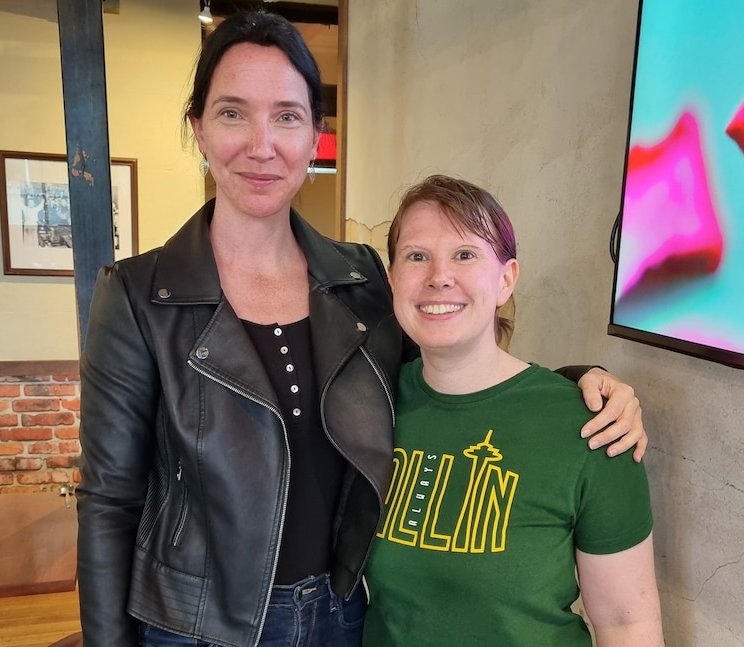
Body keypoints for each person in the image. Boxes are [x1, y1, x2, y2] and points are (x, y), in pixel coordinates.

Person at [76, 11, 648, 647]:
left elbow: (447, 367)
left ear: (315, 135)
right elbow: (109, 501)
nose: (261, 145)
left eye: (288, 116)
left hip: (340, 614)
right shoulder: (137, 295)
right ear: (200, 131)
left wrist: (579, 383)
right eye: (233, 113)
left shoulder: (358, 278)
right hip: (197, 626)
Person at [362, 175, 663, 646]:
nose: (439, 275)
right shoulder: (367, 404)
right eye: (417, 256)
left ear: (506, 279)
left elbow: (628, 625)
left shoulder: (594, 427)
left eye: (465, 254)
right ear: (393, 279)